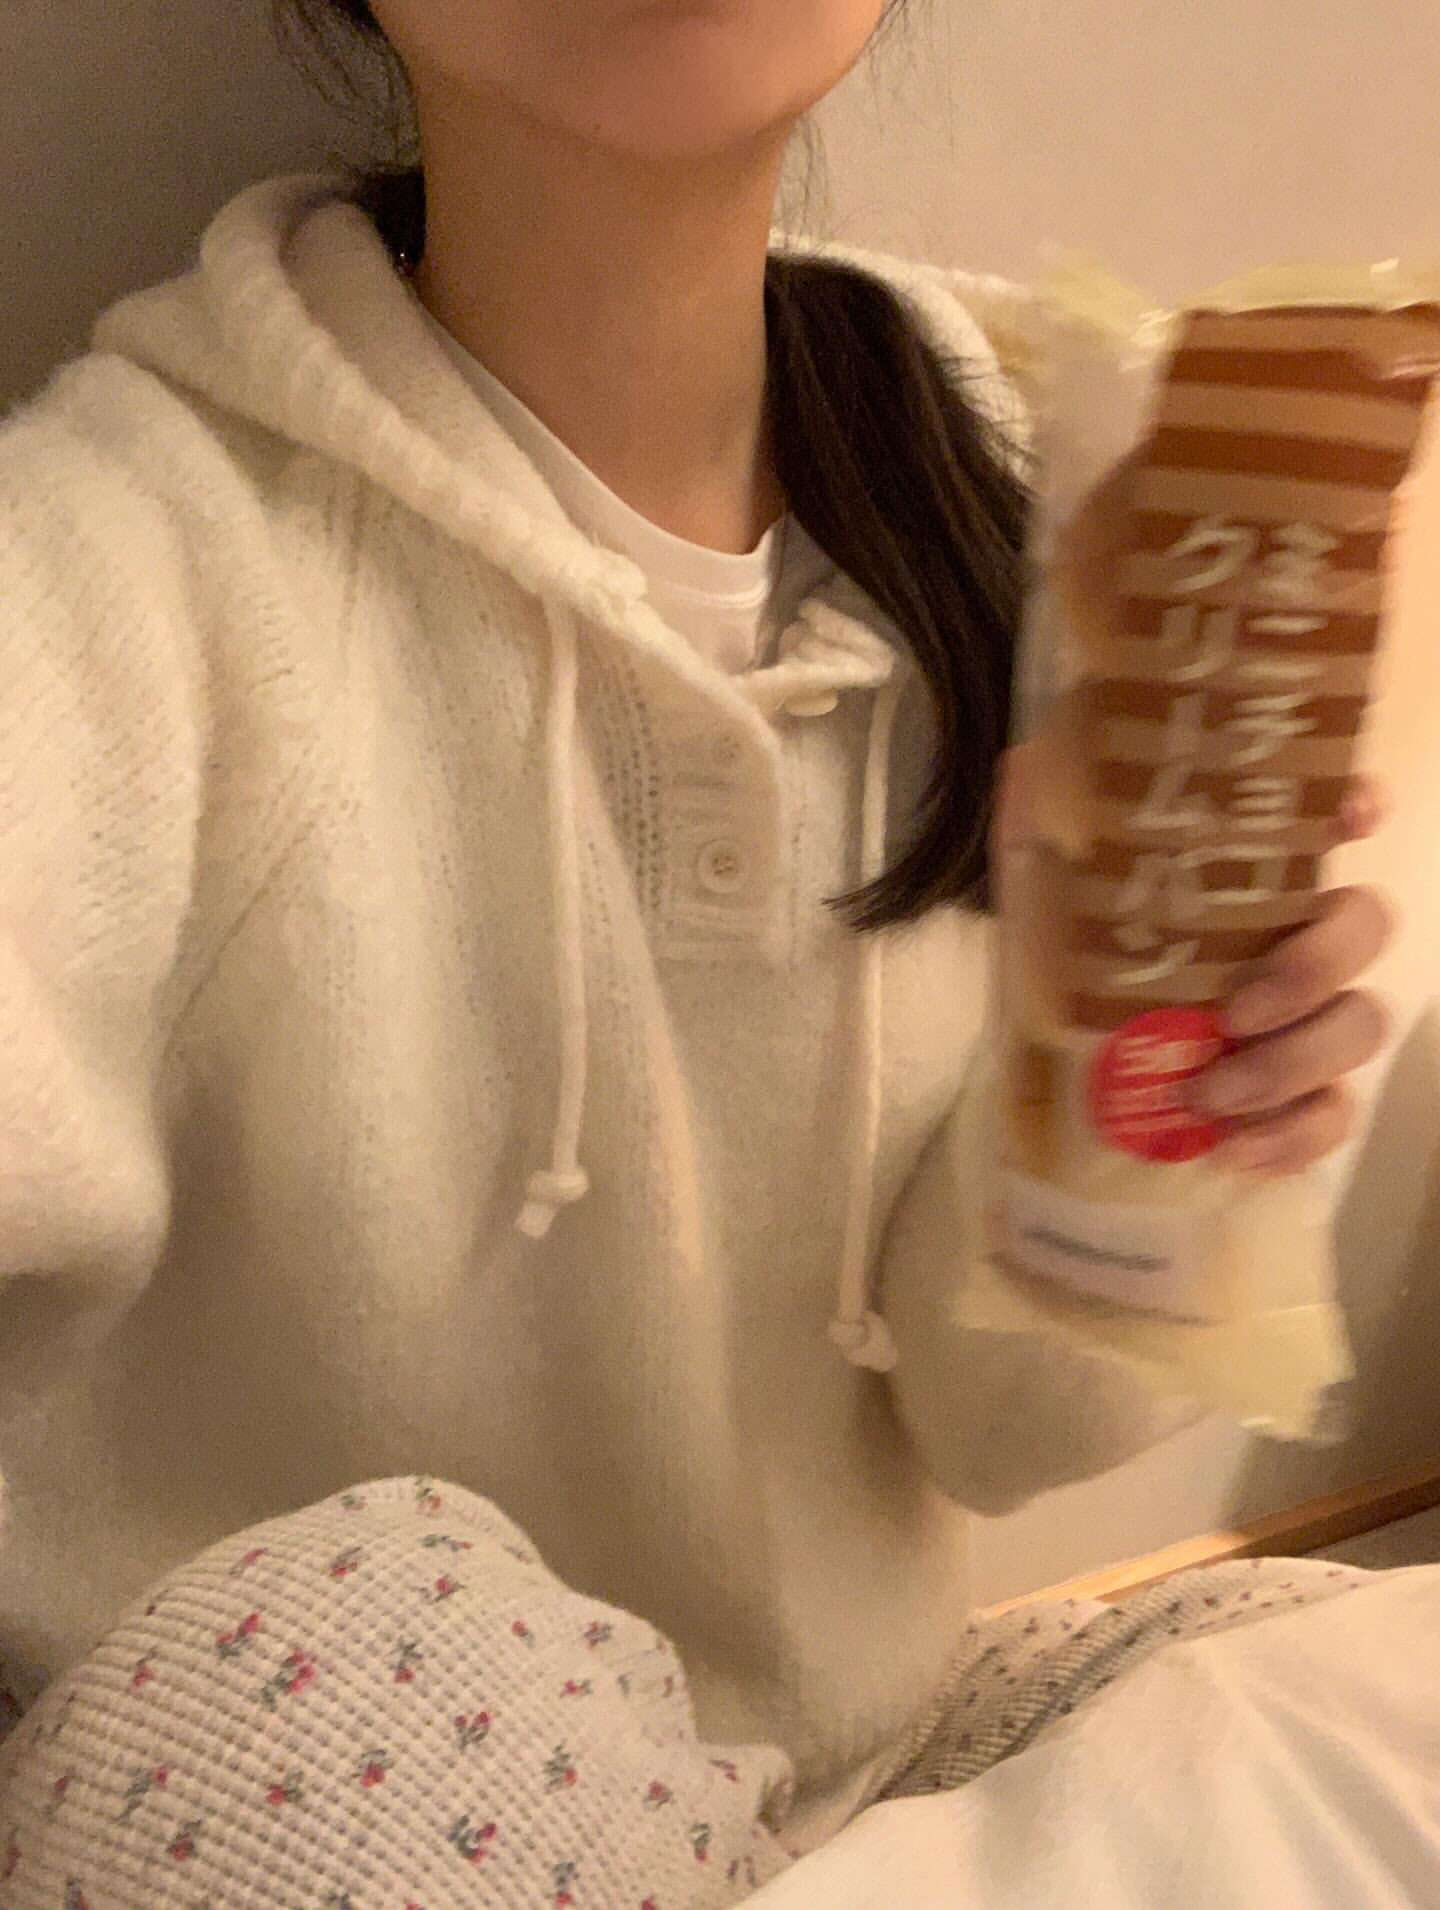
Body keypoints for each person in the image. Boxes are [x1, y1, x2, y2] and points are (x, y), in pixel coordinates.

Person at [0, 0, 1395, 1901]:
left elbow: (1002, 1431)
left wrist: (1159, 1123)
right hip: (309, 1808)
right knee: (376, 1648)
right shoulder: (118, 563)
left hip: (860, 1776)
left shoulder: (1041, 473)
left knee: (1357, 1689)